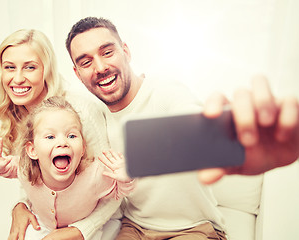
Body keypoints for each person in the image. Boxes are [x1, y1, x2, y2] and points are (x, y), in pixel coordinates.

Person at [65, 16, 299, 239]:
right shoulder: (94, 115)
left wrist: (228, 132)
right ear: (77, 73)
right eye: (86, 62)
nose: (100, 67)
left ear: (125, 51)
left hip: (192, 229)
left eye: (107, 52)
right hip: (134, 227)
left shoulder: (165, 92)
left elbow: (194, 121)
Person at [0, 28, 120, 240]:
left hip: (96, 222)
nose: (17, 79)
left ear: (46, 71)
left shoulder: (81, 113)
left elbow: (112, 185)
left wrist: (79, 231)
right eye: (9, 67)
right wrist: (21, 205)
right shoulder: (17, 110)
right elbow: (35, 173)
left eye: (30, 67)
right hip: (50, 217)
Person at [0, 96, 134, 239]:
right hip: (44, 225)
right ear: (32, 150)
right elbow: (7, 168)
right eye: (50, 137)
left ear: (82, 148)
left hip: (85, 230)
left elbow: (119, 192)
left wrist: (125, 177)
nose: (63, 142)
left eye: (72, 136)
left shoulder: (95, 175)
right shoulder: (23, 167)